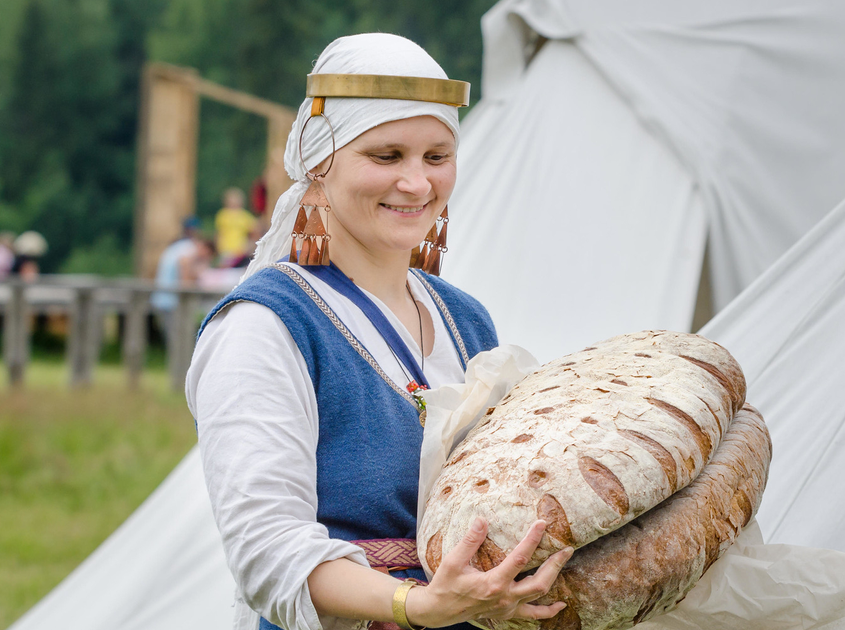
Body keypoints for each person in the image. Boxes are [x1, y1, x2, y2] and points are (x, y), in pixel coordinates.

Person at [186, 34, 572, 630]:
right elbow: (266, 551)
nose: (417, 183)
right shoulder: (263, 326)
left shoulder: (466, 319)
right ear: (319, 160)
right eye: (387, 156)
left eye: (437, 157)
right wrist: (416, 604)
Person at [151, 217, 203, 313]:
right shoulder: (188, 246)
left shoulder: (175, 245)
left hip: (161, 295)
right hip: (173, 298)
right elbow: (184, 267)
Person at [215, 186, 259, 265]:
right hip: (225, 249)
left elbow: (254, 232)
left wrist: (249, 246)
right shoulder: (223, 215)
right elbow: (219, 232)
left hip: (240, 250)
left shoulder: (244, 216)